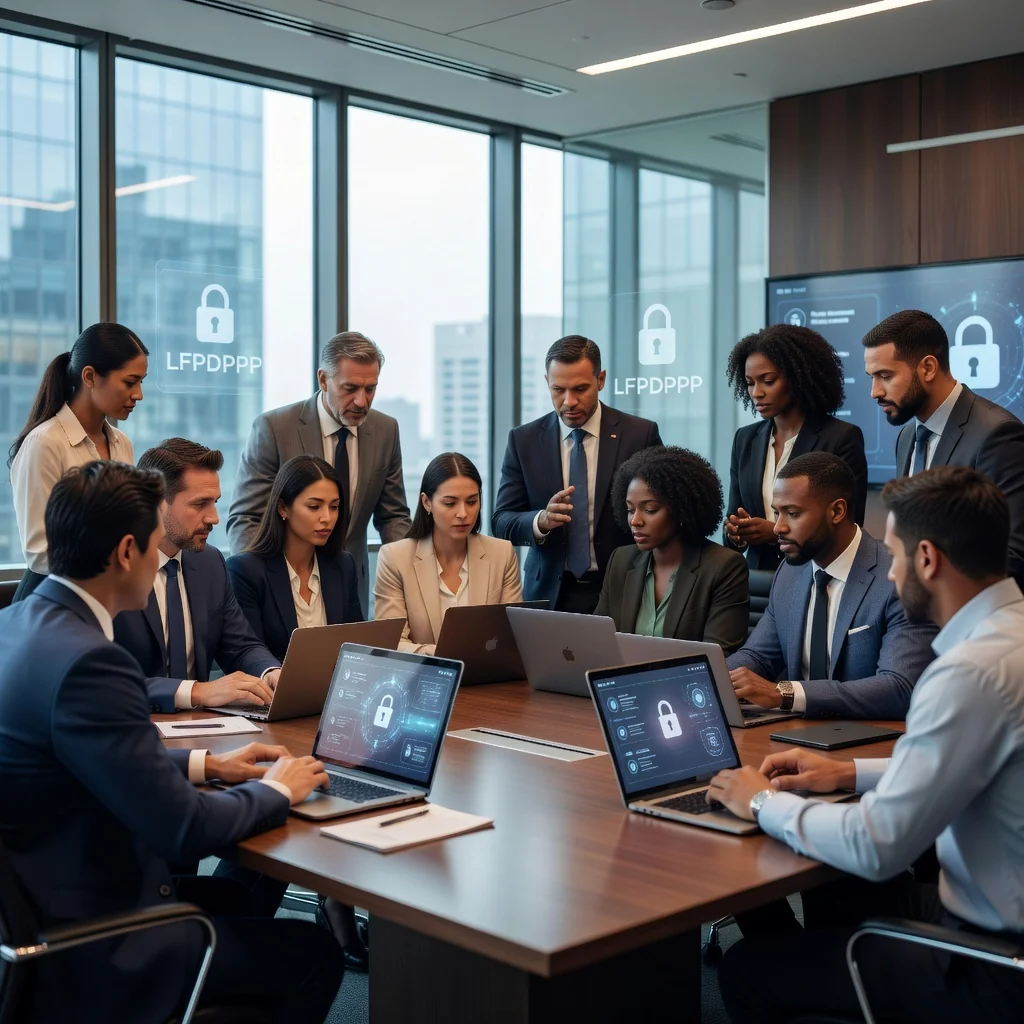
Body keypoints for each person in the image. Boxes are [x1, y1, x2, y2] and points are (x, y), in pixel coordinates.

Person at [0, 460, 342, 1023]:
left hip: (46, 900)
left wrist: (208, 764)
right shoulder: (92, 662)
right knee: (311, 954)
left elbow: (81, 752)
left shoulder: (20, 625)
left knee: (236, 901)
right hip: (95, 942)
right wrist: (278, 790)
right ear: (128, 551)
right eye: (158, 544)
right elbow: (183, 830)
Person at [709, 466, 1024, 1024]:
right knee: (841, 898)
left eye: (898, 555)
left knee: (745, 969)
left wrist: (762, 801)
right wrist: (849, 772)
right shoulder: (1009, 638)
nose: (891, 568)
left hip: (990, 963)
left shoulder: (968, 673)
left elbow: (876, 845)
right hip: (996, 910)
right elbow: (977, 757)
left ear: (927, 559)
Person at [726, 452, 936, 719]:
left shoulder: (898, 578)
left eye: (792, 513)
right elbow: (758, 657)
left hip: (870, 741)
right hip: (796, 736)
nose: (778, 527)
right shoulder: (790, 573)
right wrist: (710, 678)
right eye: (777, 513)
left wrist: (785, 693)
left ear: (837, 511)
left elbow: (899, 687)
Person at [227, 331, 412, 613]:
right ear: (324, 380)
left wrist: (410, 575)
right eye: (350, 388)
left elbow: (393, 516)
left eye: (370, 389)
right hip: (280, 590)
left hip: (350, 590)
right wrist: (263, 580)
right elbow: (246, 518)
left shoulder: (386, 430)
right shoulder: (275, 428)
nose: (362, 401)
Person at [492, 335, 663, 613]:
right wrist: (541, 521)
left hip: (624, 589)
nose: (569, 401)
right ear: (547, 382)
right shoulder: (523, 440)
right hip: (549, 593)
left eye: (580, 388)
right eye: (558, 389)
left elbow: (664, 511)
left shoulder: (639, 435)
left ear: (601, 380)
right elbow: (502, 521)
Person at [113, 438, 282, 713]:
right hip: (132, 724)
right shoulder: (111, 569)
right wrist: (196, 691)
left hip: (201, 730)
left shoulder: (210, 562)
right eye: (200, 504)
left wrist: (269, 672)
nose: (214, 518)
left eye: (214, 502)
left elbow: (239, 646)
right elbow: (104, 683)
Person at [863, 308, 1024, 588]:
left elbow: (1012, 557)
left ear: (927, 368)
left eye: (885, 376)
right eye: (872, 377)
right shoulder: (907, 436)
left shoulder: (997, 435)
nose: (874, 391)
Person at [8, 322, 147, 601]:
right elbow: (39, 551)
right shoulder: (45, 443)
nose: (138, 395)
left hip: (102, 594)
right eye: (130, 382)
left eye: (141, 382)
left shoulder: (121, 443)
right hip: (50, 599)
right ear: (90, 377)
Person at [724, 324, 868, 572]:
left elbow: (848, 527)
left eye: (768, 381)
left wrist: (775, 533)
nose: (756, 393)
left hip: (813, 576)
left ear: (798, 377)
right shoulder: (745, 439)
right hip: (755, 581)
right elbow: (732, 528)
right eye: (749, 383)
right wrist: (736, 533)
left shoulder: (841, 437)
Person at [595, 446, 749, 654]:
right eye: (630, 510)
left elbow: (719, 655)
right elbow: (599, 639)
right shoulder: (621, 560)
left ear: (682, 508)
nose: (635, 521)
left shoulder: (724, 567)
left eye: (650, 510)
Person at [375, 452, 522, 654]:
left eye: (472, 502)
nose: (463, 514)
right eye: (450, 503)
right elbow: (391, 642)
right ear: (427, 502)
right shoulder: (395, 558)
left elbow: (513, 636)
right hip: (423, 678)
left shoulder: (502, 553)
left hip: (487, 679)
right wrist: (444, 654)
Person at [227, 455, 363, 662]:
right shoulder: (246, 570)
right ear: (283, 507)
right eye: (314, 506)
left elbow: (358, 645)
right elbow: (248, 654)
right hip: (276, 690)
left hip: (339, 689)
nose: (327, 517)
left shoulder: (343, 565)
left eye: (334, 506)